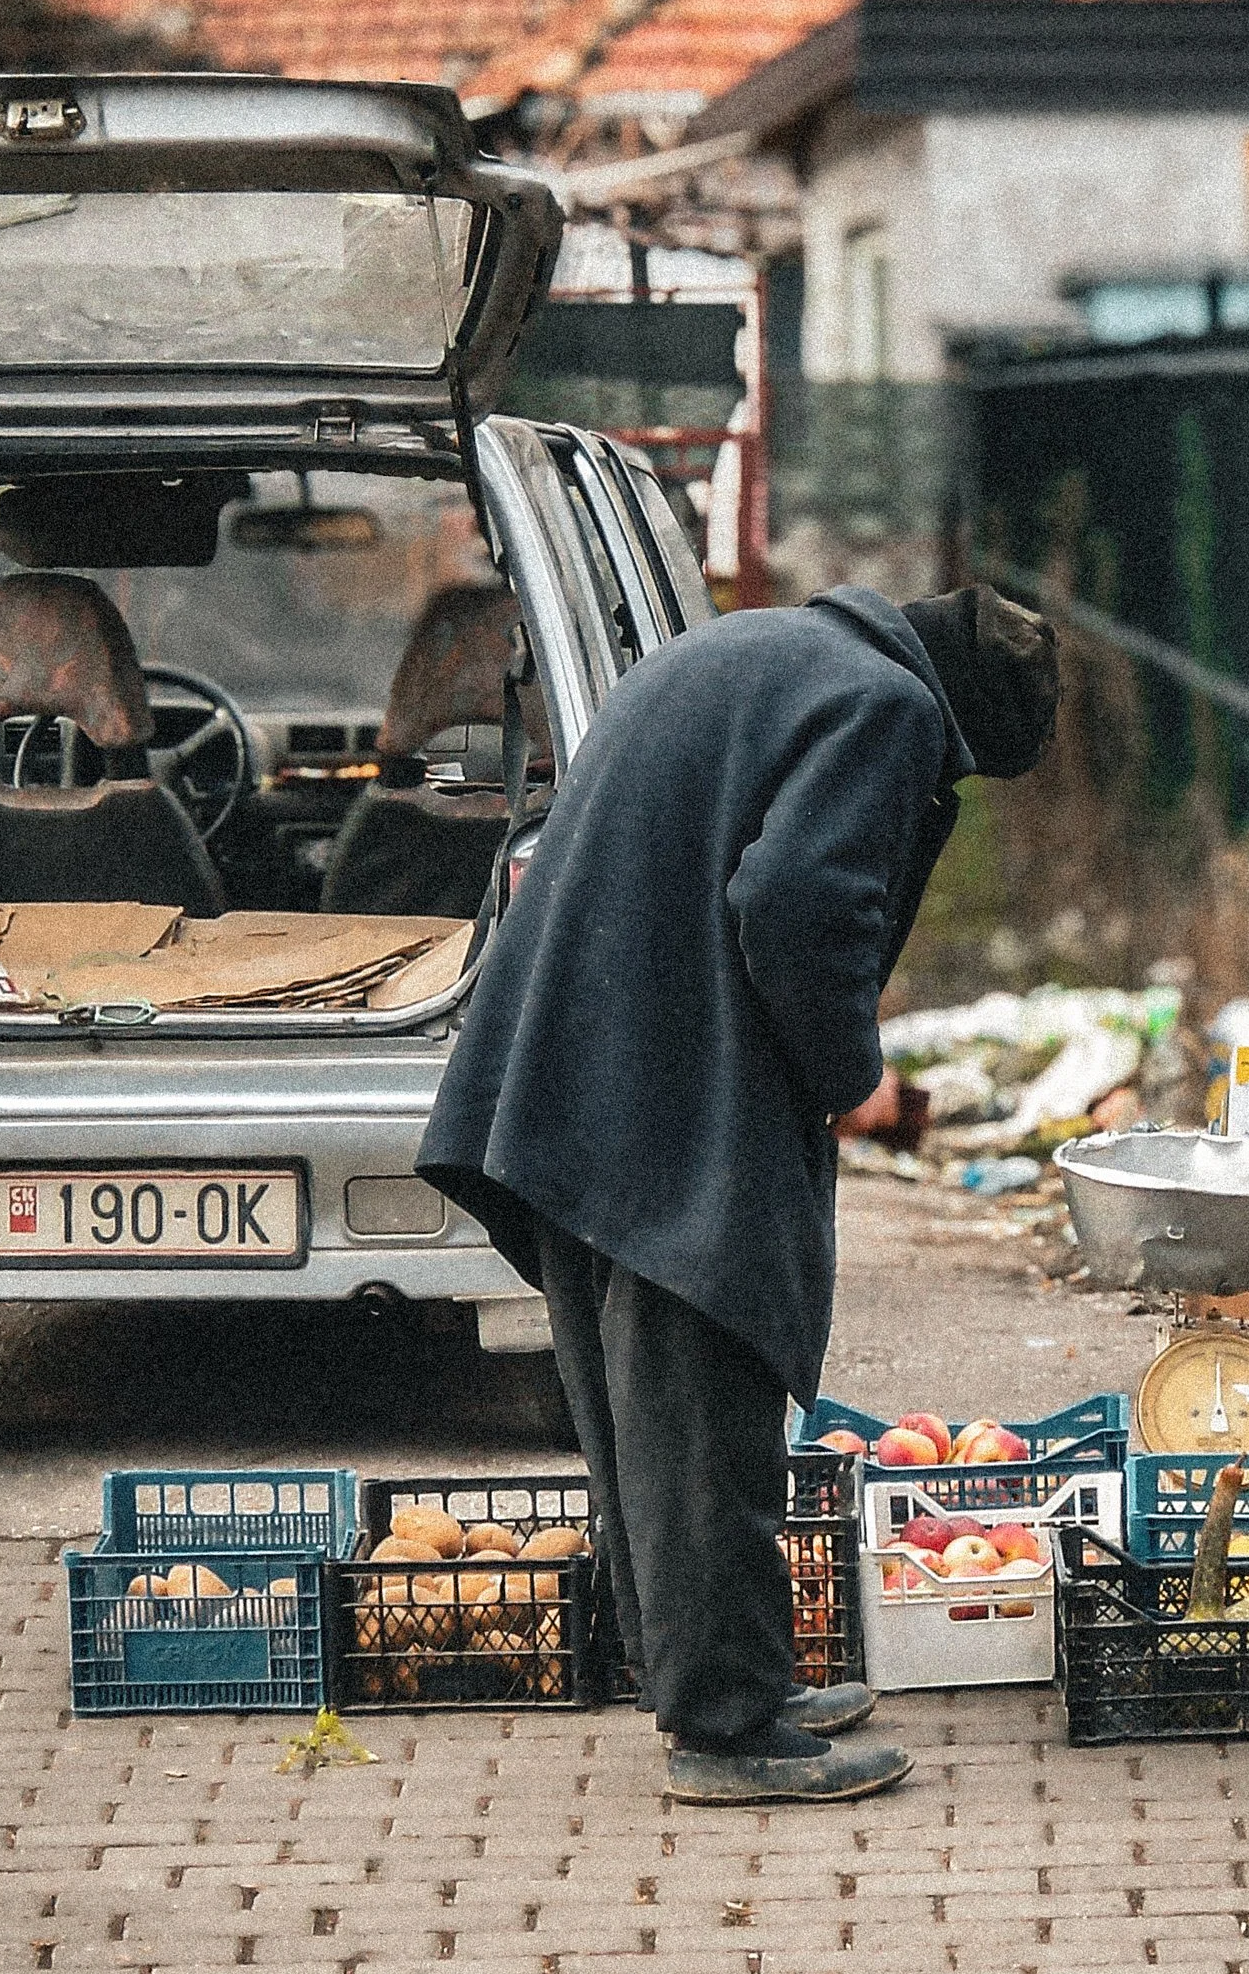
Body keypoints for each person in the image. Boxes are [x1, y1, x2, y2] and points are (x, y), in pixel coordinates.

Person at [418, 583, 1060, 1806]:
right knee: (703, 1409)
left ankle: (711, 1675)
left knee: (637, 1414)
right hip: (674, 1091)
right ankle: (729, 1732)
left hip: (570, 1067)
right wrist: (848, 1076)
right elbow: (796, 900)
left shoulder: (763, 646)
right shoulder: (883, 707)